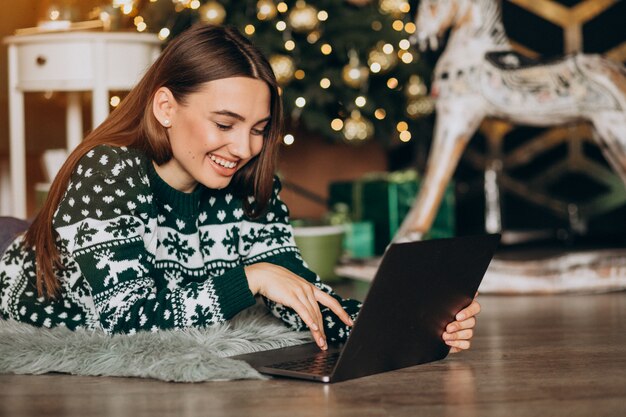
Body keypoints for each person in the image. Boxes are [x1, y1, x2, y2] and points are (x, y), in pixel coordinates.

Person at [0, 24, 479, 353]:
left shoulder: (252, 187)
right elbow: (125, 320)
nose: (244, 147)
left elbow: (302, 293)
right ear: (165, 108)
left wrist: (413, 323)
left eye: (258, 128)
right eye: (225, 123)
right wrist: (248, 278)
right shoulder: (109, 170)